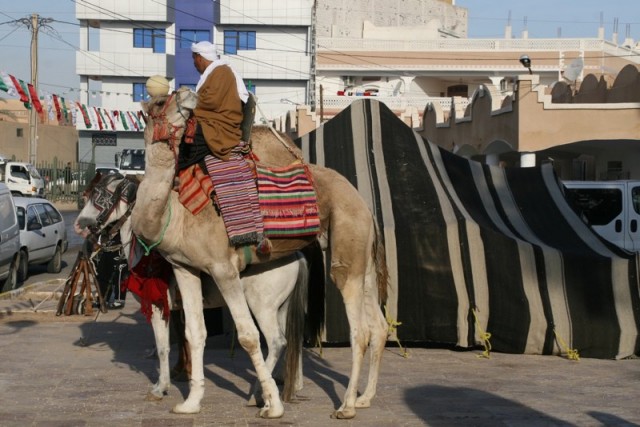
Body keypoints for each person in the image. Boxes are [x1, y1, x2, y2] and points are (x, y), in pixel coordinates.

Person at [178, 41, 266, 250]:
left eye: (194, 59)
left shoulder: (221, 72)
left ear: (200, 57)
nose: (194, 64)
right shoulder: (214, 72)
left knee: (187, 141)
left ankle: (178, 175)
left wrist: (188, 102)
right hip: (213, 120)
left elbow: (209, 102)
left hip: (221, 127)